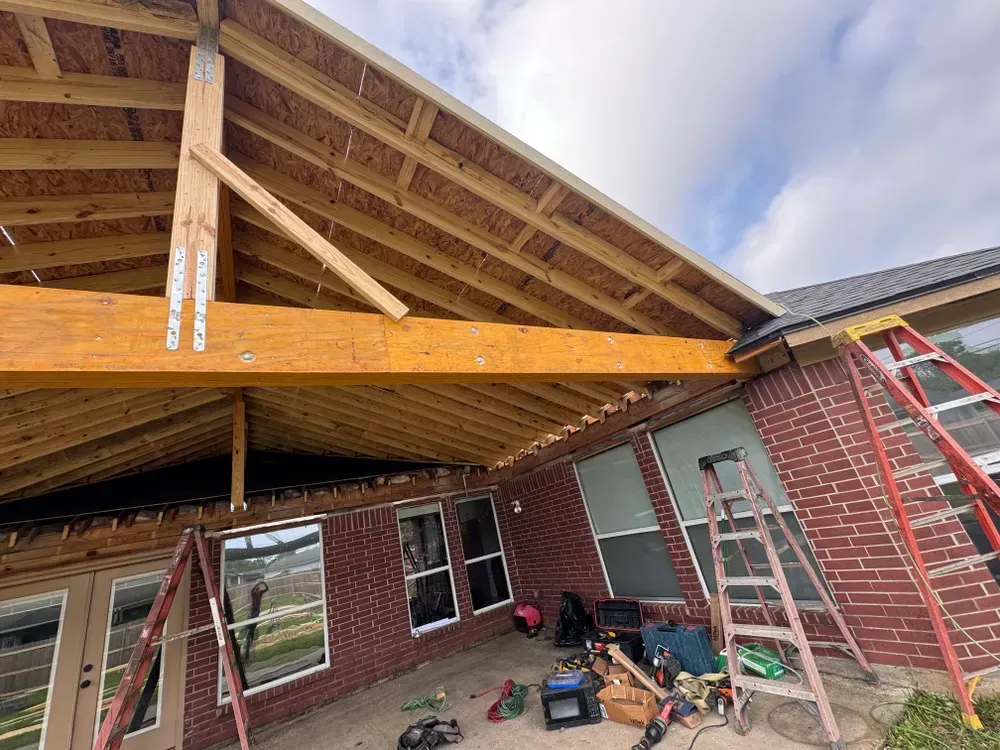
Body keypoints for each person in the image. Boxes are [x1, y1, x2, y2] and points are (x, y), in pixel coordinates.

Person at [243, 580, 269, 662]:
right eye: (257, 588)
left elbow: (266, 589)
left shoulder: (259, 593)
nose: (257, 588)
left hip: (255, 613)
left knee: (250, 629)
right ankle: (248, 646)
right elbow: (252, 589)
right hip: (254, 613)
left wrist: (263, 583)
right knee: (250, 630)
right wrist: (258, 583)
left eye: (257, 588)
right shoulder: (253, 594)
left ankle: (249, 647)